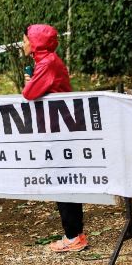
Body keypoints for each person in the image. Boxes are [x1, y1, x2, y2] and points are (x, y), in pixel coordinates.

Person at [22, 23, 87, 252]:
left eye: (25, 39)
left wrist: (29, 81)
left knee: (63, 181)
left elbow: (29, 93)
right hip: (58, 129)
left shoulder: (47, 63)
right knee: (64, 179)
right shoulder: (46, 61)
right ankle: (75, 233)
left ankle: (73, 236)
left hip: (60, 132)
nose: (23, 44)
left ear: (35, 42)